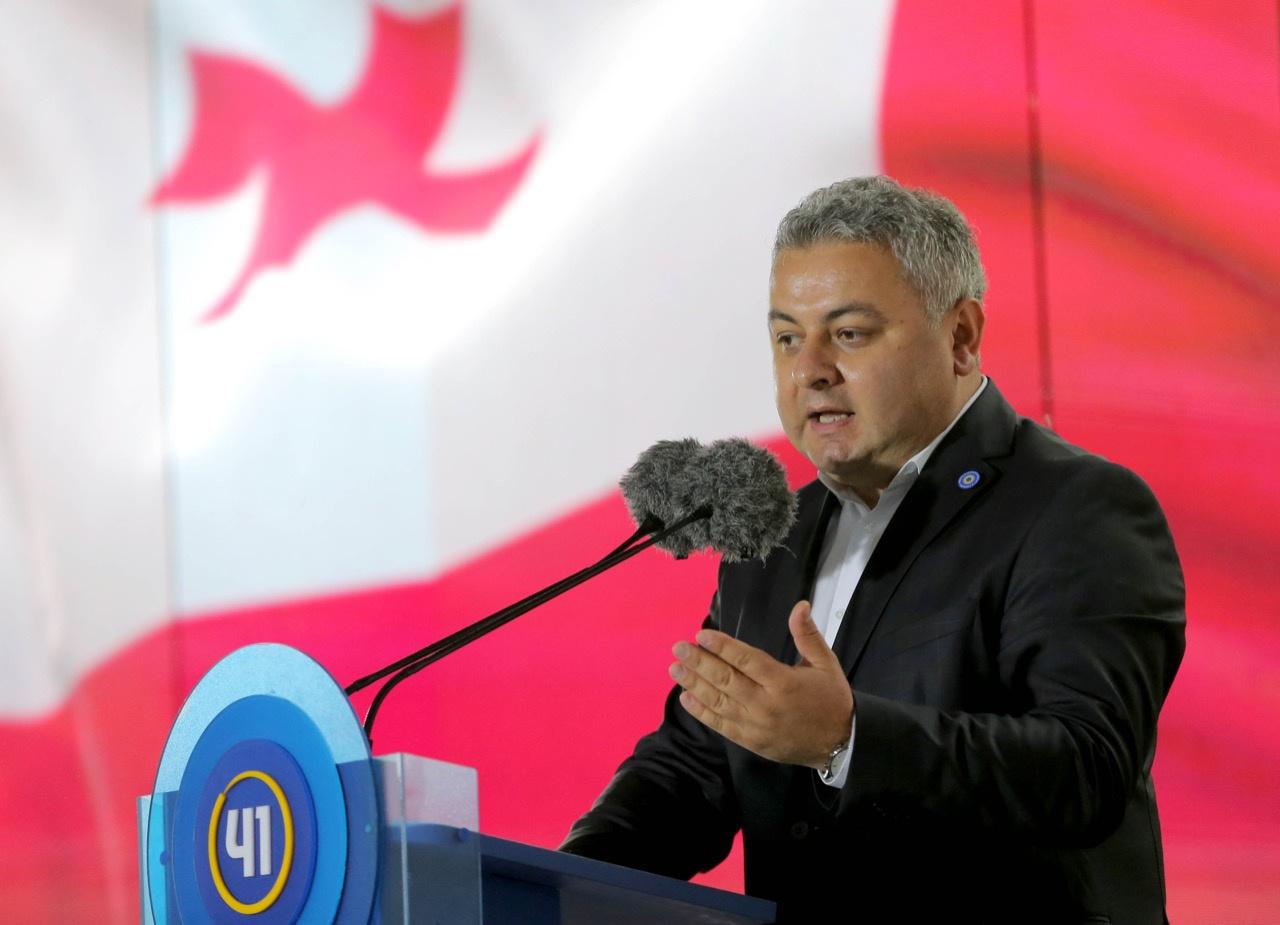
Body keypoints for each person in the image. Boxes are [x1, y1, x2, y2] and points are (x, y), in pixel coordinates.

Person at [560, 176, 1186, 924]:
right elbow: (694, 767)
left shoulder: (1075, 507)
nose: (810, 369)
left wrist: (848, 738)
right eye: (787, 337)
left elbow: (1087, 769)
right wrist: (551, 887)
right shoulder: (773, 540)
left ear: (960, 337)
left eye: (849, 333)